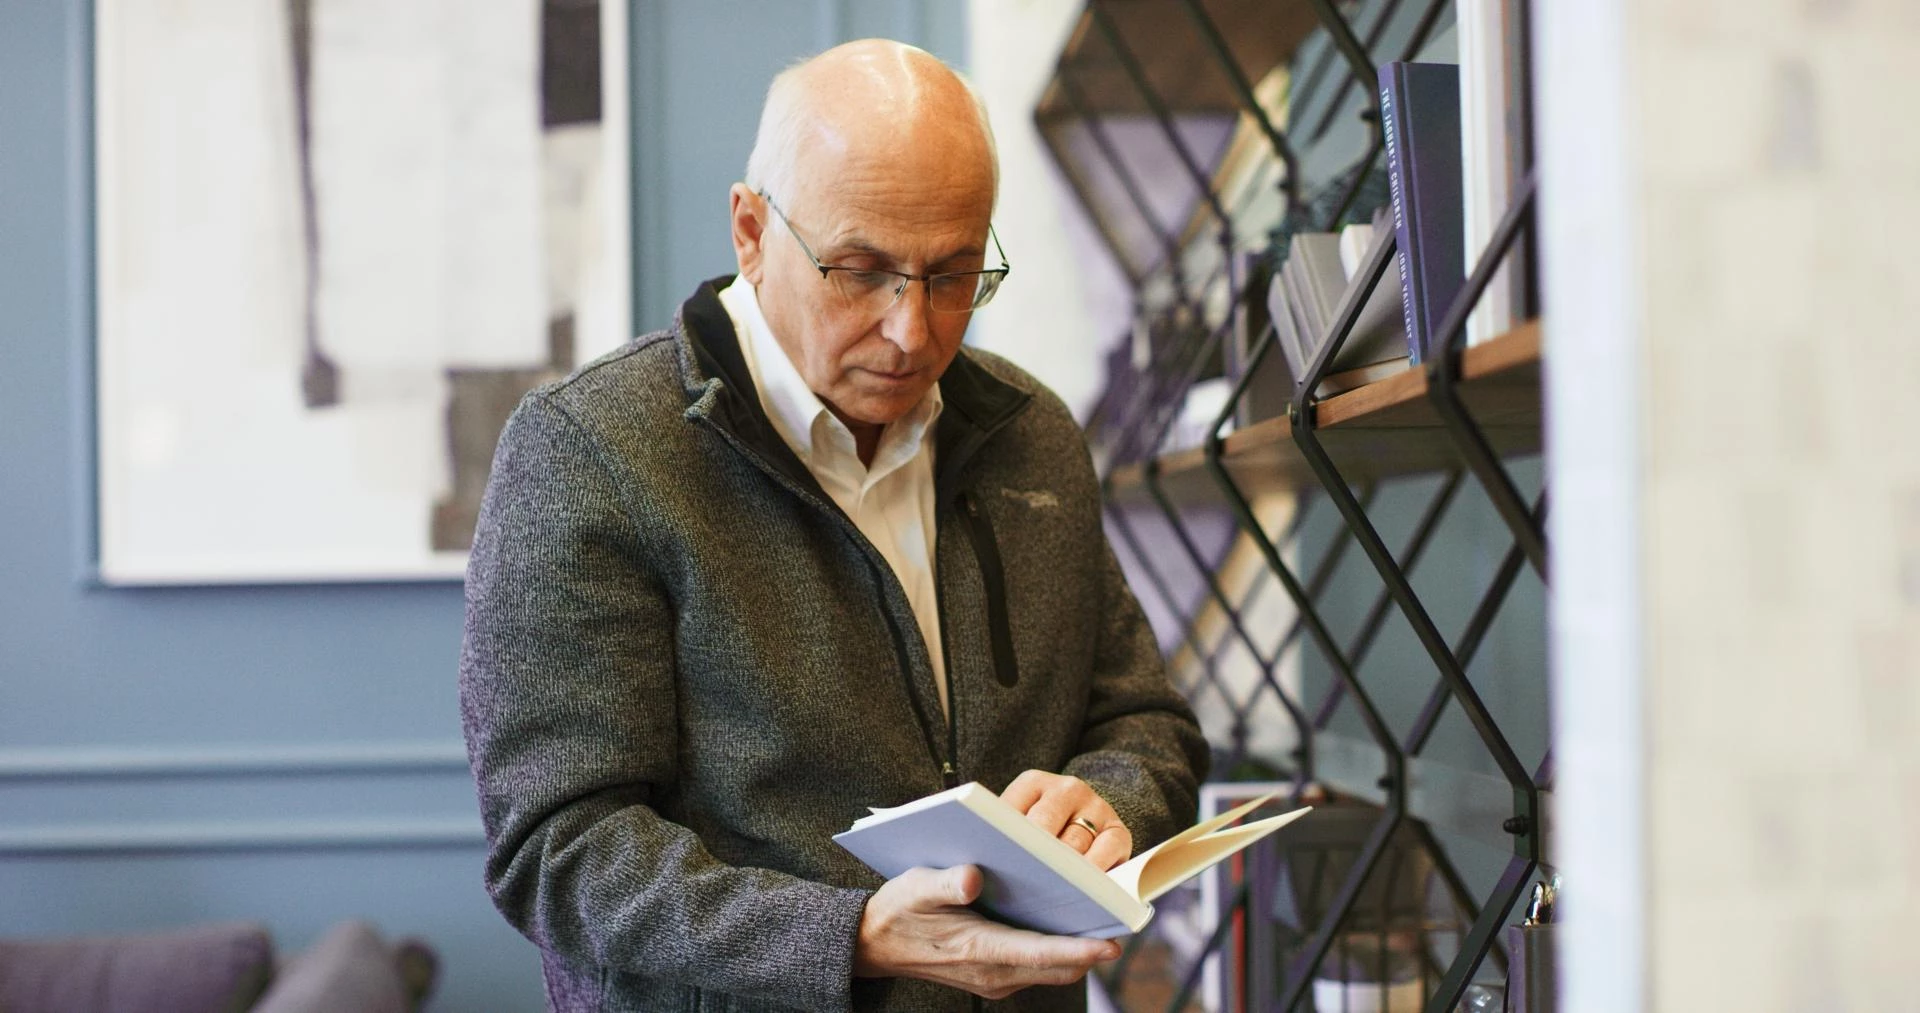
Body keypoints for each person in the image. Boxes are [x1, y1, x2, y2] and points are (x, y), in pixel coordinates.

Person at [459, 38, 1207, 1013]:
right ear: (751, 231)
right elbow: (557, 847)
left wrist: (1109, 801)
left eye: (953, 273)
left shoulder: (1035, 435)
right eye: (861, 270)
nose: (913, 330)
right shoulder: (587, 453)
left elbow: (1145, 723)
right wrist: (846, 936)